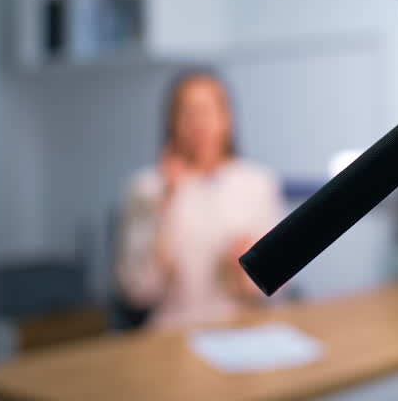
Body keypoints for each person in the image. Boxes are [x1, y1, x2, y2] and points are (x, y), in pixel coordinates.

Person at [115, 69, 282, 330]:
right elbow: (136, 292)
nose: (200, 123)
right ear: (172, 122)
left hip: (241, 330)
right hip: (171, 334)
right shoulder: (146, 187)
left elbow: (277, 289)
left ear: (228, 118)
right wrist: (166, 204)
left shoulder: (258, 183)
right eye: (188, 112)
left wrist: (245, 271)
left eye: (210, 110)